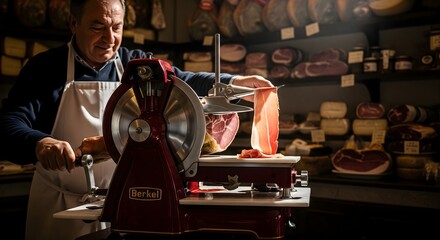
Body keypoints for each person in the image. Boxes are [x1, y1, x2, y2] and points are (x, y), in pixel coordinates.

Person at [0, 0, 273, 239]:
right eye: (98, 26)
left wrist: (234, 82)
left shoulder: (137, 65)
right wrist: (41, 142)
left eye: (116, 27)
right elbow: (9, 123)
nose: (110, 38)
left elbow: (183, 80)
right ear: (73, 23)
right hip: (59, 203)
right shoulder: (45, 68)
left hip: (126, 199)